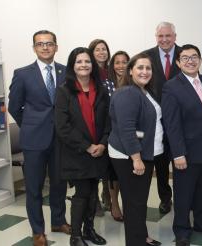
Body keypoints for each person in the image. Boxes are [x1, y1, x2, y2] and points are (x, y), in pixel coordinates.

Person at [8, 30, 70, 246]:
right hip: (34, 140)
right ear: (34, 48)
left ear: (56, 46)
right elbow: (14, 106)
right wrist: (30, 125)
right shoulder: (23, 73)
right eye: (40, 44)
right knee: (34, 188)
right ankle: (37, 230)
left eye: (49, 43)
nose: (45, 47)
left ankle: (59, 221)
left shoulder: (65, 71)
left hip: (60, 139)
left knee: (59, 184)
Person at [162, 44, 202, 246]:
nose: (190, 61)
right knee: (184, 192)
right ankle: (182, 230)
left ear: (199, 60)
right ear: (179, 62)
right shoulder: (171, 87)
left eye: (194, 57)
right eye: (185, 58)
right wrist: (178, 153)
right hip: (186, 152)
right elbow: (171, 124)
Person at [55, 47, 109, 246]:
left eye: (87, 61)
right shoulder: (64, 90)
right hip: (77, 152)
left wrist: (102, 144)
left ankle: (89, 230)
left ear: (92, 65)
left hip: (99, 151)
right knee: (82, 193)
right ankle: (75, 236)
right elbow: (62, 126)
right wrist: (87, 146)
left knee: (93, 192)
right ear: (73, 66)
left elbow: (108, 121)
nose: (84, 65)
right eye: (79, 62)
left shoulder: (101, 89)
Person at [108, 52, 162, 246]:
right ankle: (135, 242)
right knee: (133, 203)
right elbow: (127, 128)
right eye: (140, 67)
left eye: (148, 68)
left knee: (138, 201)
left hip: (142, 152)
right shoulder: (128, 92)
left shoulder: (144, 91)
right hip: (129, 155)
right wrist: (136, 158)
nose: (145, 71)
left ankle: (142, 237)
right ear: (130, 71)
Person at [143, 21, 181, 214]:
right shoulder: (146, 57)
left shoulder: (186, 55)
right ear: (156, 37)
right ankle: (165, 198)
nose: (164, 39)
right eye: (160, 36)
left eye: (168, 36)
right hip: (156, 123)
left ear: (175, 36)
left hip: (180, 122)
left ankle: (183, 198)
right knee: (161, 165)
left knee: (181, 163)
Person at [103, 50, 130, 222]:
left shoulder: (134, 83)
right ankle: (114, 204)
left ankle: (130, 206)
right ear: (112, 66)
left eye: (124, 62)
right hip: (111, 135)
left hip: (130, 137)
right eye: (117, 62)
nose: (121, 66)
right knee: (113, 174)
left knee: (128, 175)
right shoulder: (106, 85)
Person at [88, 39, 112, 215]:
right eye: (98, 49)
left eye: (104, 49)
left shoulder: (111, 71)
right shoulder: (88, 73)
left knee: (109, 165)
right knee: (95, 165)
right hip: (94, 125)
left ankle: (107, 196)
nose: (102, 52)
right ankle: (94, 200)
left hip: (111, 124)